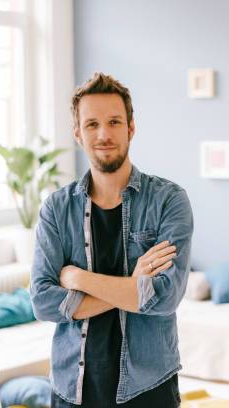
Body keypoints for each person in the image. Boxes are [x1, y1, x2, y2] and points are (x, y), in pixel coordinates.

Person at [30, 72, 193, 407]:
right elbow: (43, 301)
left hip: (149, 388)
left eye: (114, 122)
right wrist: (132, 286)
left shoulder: (169, 200)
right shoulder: (57, 209)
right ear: (77, 133)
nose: (104, 134)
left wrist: (78, 278)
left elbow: (164, 297)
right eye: (92, 125)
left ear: (131, 128)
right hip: (72, 388)